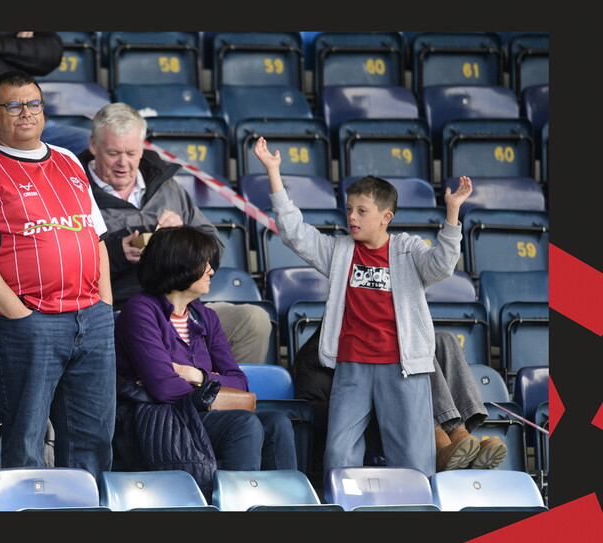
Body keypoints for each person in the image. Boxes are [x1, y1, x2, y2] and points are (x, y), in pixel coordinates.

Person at [254, 136, 474, 477]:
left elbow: (441, 266)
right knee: (338, 455)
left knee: (414, 460)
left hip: (402, 367)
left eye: (361, 211)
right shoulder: (340, 251)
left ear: (386, 217)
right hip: (352, 366)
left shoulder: (408, 249)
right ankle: (344, 508)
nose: (352, 217)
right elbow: (294, 232)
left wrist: (453, 213)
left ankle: (418, 508)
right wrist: (273, 172)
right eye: (349, 209)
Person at [0, 70, 115, 479]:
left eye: (34, 104)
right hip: (29, 320)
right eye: (14, 105)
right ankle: (28, 511)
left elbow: (95, 238)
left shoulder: (69, 160)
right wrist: (20, 315)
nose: (26, 113)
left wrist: (104, 306)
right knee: (27, 440)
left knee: (93, 438)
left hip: (90, 317)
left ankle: (85, 510)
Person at [78, 102, 273, 365]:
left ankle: (224, 390)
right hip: (118, 312)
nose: (123, 163)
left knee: (253, 320)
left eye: (131, 153)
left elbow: (215, 248)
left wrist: (183, 237)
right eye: (113, 153)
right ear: (94, 145)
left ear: (142, 148)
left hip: (182, 308)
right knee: (151, 337)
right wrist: (116, 252)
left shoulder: (166, 186)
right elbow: (63, 267)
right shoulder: (73, 191)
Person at [114, 225, 297, 496]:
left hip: (198, 413)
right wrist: (213, 389)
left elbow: (241, 383)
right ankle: (237, 509)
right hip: (161, 419)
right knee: (243, 423)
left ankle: (287, 507)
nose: (211, 271)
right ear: (179, 264)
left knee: (278, 423)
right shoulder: (141, 310)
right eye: (204, 263)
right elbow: (164, 389)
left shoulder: (206, 316)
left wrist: (197, 376)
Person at [293, 327, 507, 484]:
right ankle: (440, 445)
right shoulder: (313, 358)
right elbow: (313, 413)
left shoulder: (380, 344)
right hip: (370, 430)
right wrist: (373, 402)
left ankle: (460, 434)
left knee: (444, 340)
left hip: (399, 415)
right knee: (411, 351)